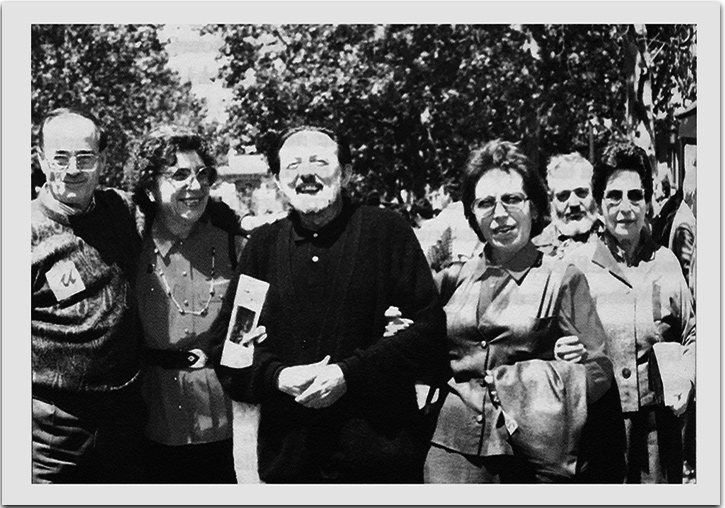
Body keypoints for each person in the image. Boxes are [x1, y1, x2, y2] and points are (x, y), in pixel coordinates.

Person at [215, 126, 449, 483]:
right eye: (292, 165)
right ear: (278, 181)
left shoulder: (386, 232)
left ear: (347, 172)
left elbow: (429, 331)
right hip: (292, 467)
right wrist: (278, 377)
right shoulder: (262, 247)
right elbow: (230, 349)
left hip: (379, 463)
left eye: (319, 162)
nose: (306, 174)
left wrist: (348, 374)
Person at [424, 140, 621, 483]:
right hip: (451, 453)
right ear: (472, 213)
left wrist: (550, 382)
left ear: (533, 208)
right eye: (485, 203)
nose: (499, 213)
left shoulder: (563, 278)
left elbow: (599, 368)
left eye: (512, 199)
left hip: (531, 455)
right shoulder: (452, 279)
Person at [131, 126, 263, 483]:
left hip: (217, 424)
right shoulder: (130, 248)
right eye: (179, 175)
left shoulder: (236, 247)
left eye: (202, 174)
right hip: (146, 420)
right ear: (149, 186)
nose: (195, 185)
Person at [562, 141, 696, 483]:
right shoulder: (577, 268)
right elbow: (553, 340)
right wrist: (560, 351)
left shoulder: (665, 263)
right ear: (599, 203)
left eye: (635, 196)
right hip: (598, 432)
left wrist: (689, 375)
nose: (625, 208)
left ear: (648, 201)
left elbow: (694, 334)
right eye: (614, 197)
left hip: (658, 436)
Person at [31, 108, 145, 483]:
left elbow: (180, 210)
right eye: (60, 157)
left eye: (85, 157)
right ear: (41, 158)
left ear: (102, 161)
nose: (72, 169)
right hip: (51, 429)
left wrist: (233, 225)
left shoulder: (122, 210)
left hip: (126, 419)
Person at [533, 152, 602, 259]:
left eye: (581, 192)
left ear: (594, 194)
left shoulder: (615, 234)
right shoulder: (537, 250)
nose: (574, 203)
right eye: (563, 196)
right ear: (551, 200)